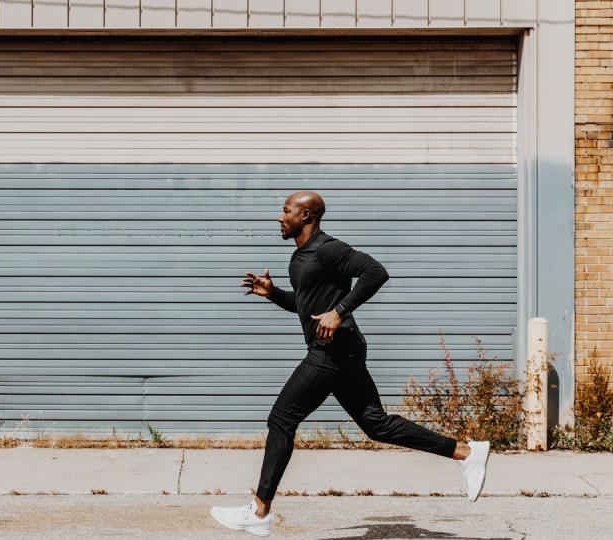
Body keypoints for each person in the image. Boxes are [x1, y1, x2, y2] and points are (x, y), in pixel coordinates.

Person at [209, 191, 491, 537]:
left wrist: (340, 312)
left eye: (286, 211)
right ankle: (465, 452)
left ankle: (259, 510)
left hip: (333, 352)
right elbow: (306, 303)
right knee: (377, 425)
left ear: (307, 216)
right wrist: (274, 293)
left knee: (281, 419)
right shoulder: (300, 258)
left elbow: (375, 272)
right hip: (344, 351)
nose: (279, 218)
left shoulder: (328, 248)